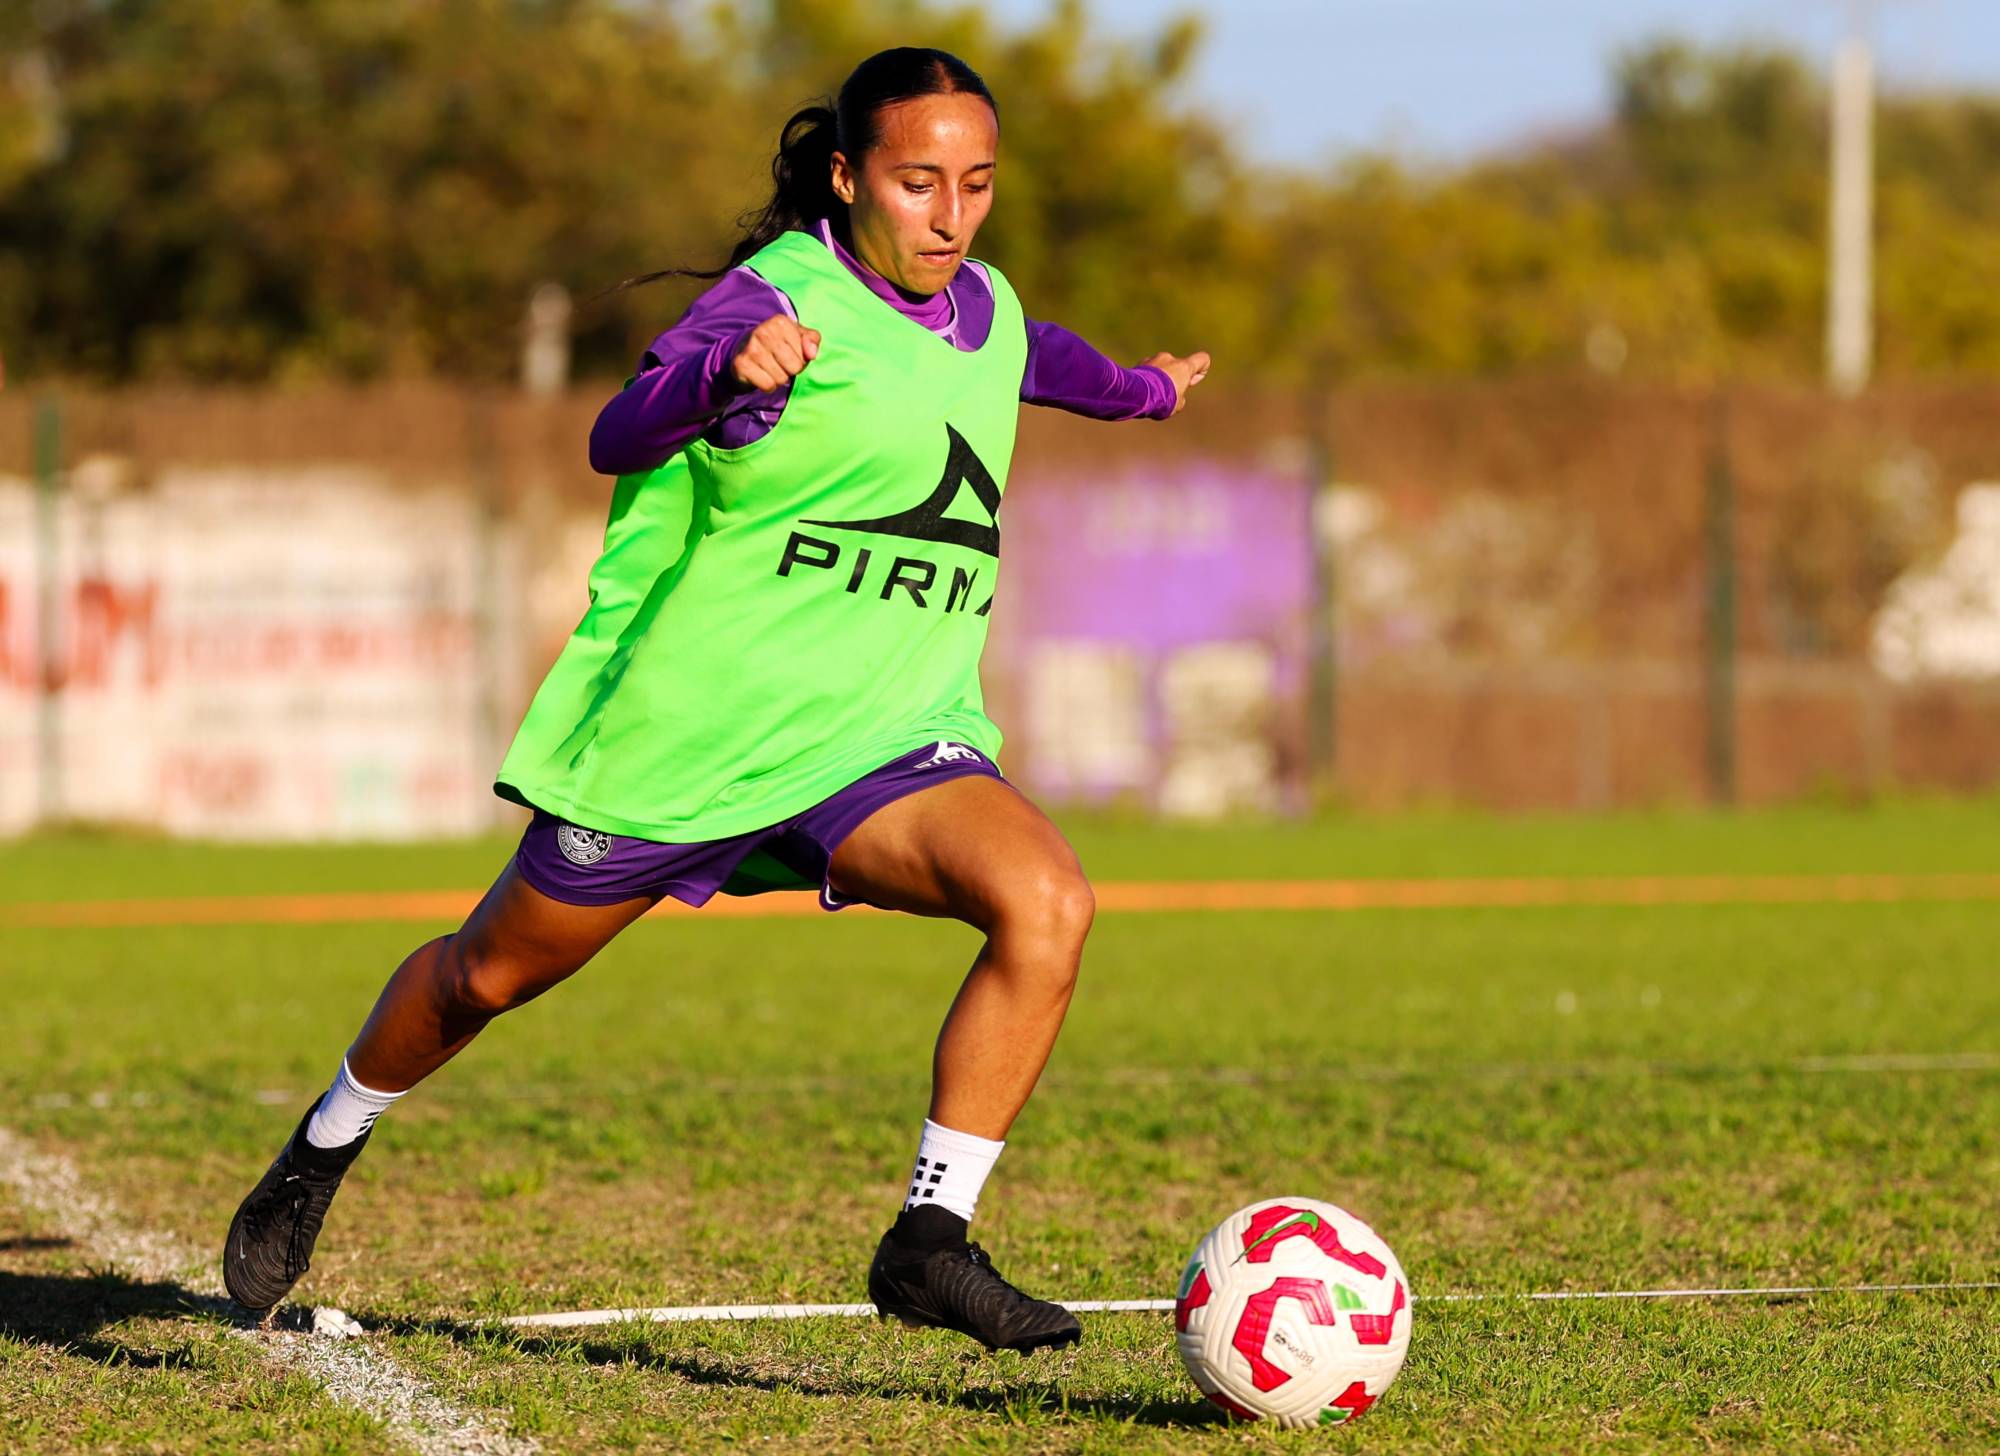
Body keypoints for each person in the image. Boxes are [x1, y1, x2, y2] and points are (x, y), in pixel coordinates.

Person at [222, 45, 1209, 1355]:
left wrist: (1143, 390)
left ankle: (930, 1241)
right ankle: (323, 1143)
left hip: (881, 737)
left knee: (1049, 902)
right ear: (851, 177)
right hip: (690, 744)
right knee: (485, 977)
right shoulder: (778, 296)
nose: (951, 215)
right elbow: (616, 434)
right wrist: (723, 380)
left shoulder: (990, 306)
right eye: (920, 184)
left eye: (976, 185)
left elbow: (1039, 355)